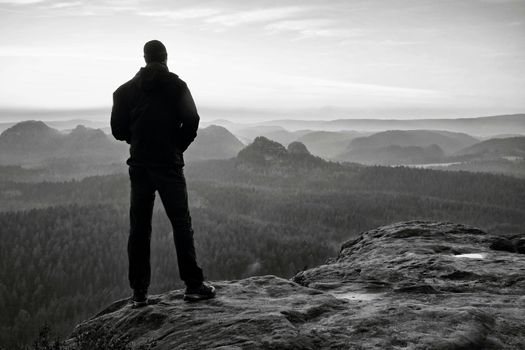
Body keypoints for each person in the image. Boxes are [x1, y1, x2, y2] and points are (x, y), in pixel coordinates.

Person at [110, 40, 215, 307]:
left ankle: (139, 294)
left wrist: (137, 140)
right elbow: (192, 120)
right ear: (166, 58)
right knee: (181, 223)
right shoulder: (177, 87)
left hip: (140, 165)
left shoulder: (124, 92)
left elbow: (118, 130)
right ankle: (193, 286)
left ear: (144, 58)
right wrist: (176, 146)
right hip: (168, 164)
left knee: (140, 228)